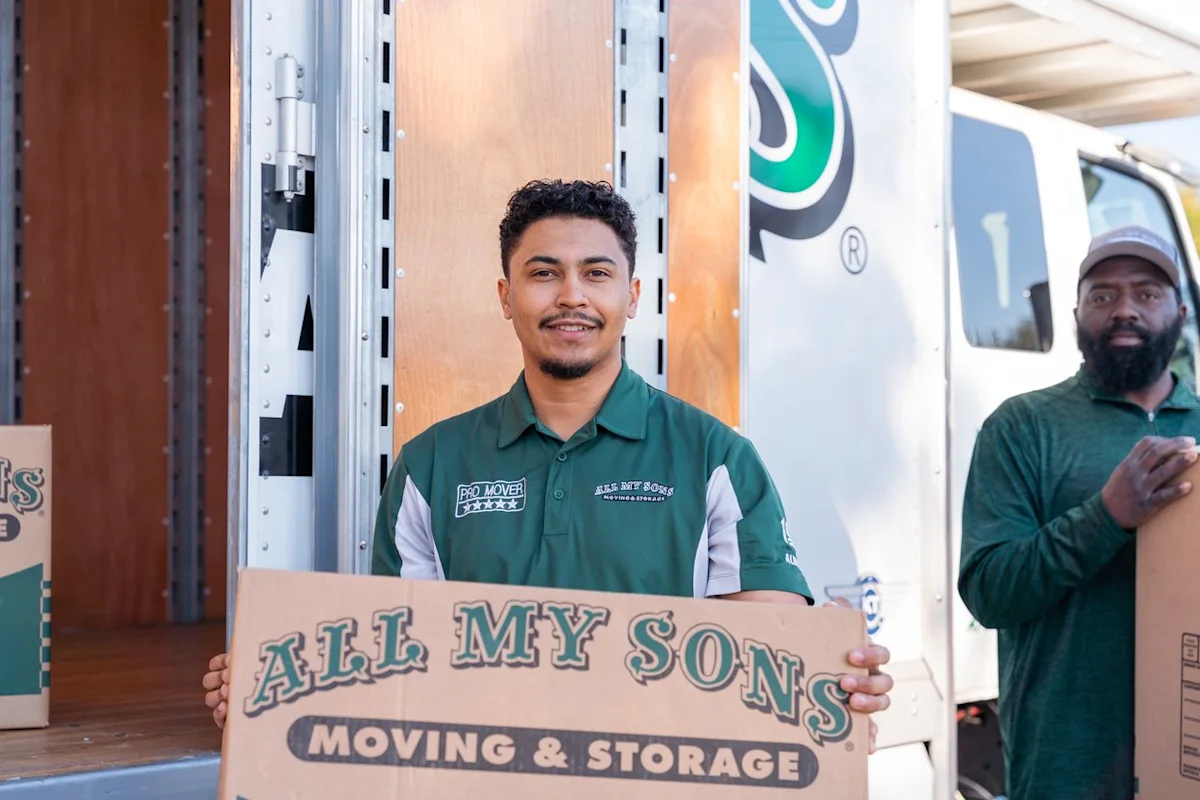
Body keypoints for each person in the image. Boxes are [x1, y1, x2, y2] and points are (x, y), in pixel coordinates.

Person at [204, 178, 894, 749]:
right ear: (506, 297)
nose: (571, 296)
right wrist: (276, 690)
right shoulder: (431, 465)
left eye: (597, 273)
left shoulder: (715, 458)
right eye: (543, 273)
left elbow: (773, 655)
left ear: (632, 296)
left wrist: (833, 690)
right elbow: (392, 666)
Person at [958, 224, 1200, 800]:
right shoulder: (1021, 427)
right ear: (1076, 315)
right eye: (1103, 295)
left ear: (1180, 312)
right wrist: (1107, 516)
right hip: (1064, 771)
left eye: (1146, 293)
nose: (1124, 309)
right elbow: (989, 592)